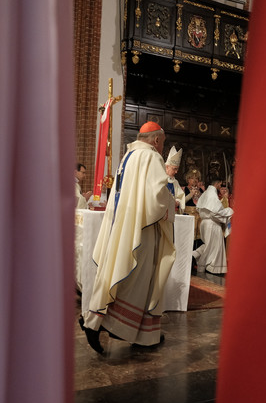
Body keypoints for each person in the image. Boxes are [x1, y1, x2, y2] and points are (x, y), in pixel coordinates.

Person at [81, 121, 176, 353]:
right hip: (143, 229)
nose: (161, 147)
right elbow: (157, 195)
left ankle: (115, 327)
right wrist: (171, 203)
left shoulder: (128, 157)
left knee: (119, 273)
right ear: (155, 140)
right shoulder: (152, 157)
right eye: (162, 142)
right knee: (138, 280)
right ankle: (97, 324)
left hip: (124, 226)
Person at [193, 178, 233, 274]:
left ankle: (198, 262)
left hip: (205, 223)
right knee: (212, 247)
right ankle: (210, 267)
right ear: (218, 183)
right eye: (220, 184)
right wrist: (229, 211)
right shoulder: (212, 195)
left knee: (209, 246)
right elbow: (215, 213)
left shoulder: (207, 193)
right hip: (212, 224)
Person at [165, 146, 186, 214]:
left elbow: (180, 197)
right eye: (174, 169)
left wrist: (177, 202)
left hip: (173, 213)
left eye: (177, 169)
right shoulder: (160, 179)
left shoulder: (175, 182)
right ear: (167, 167)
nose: (176, 172)